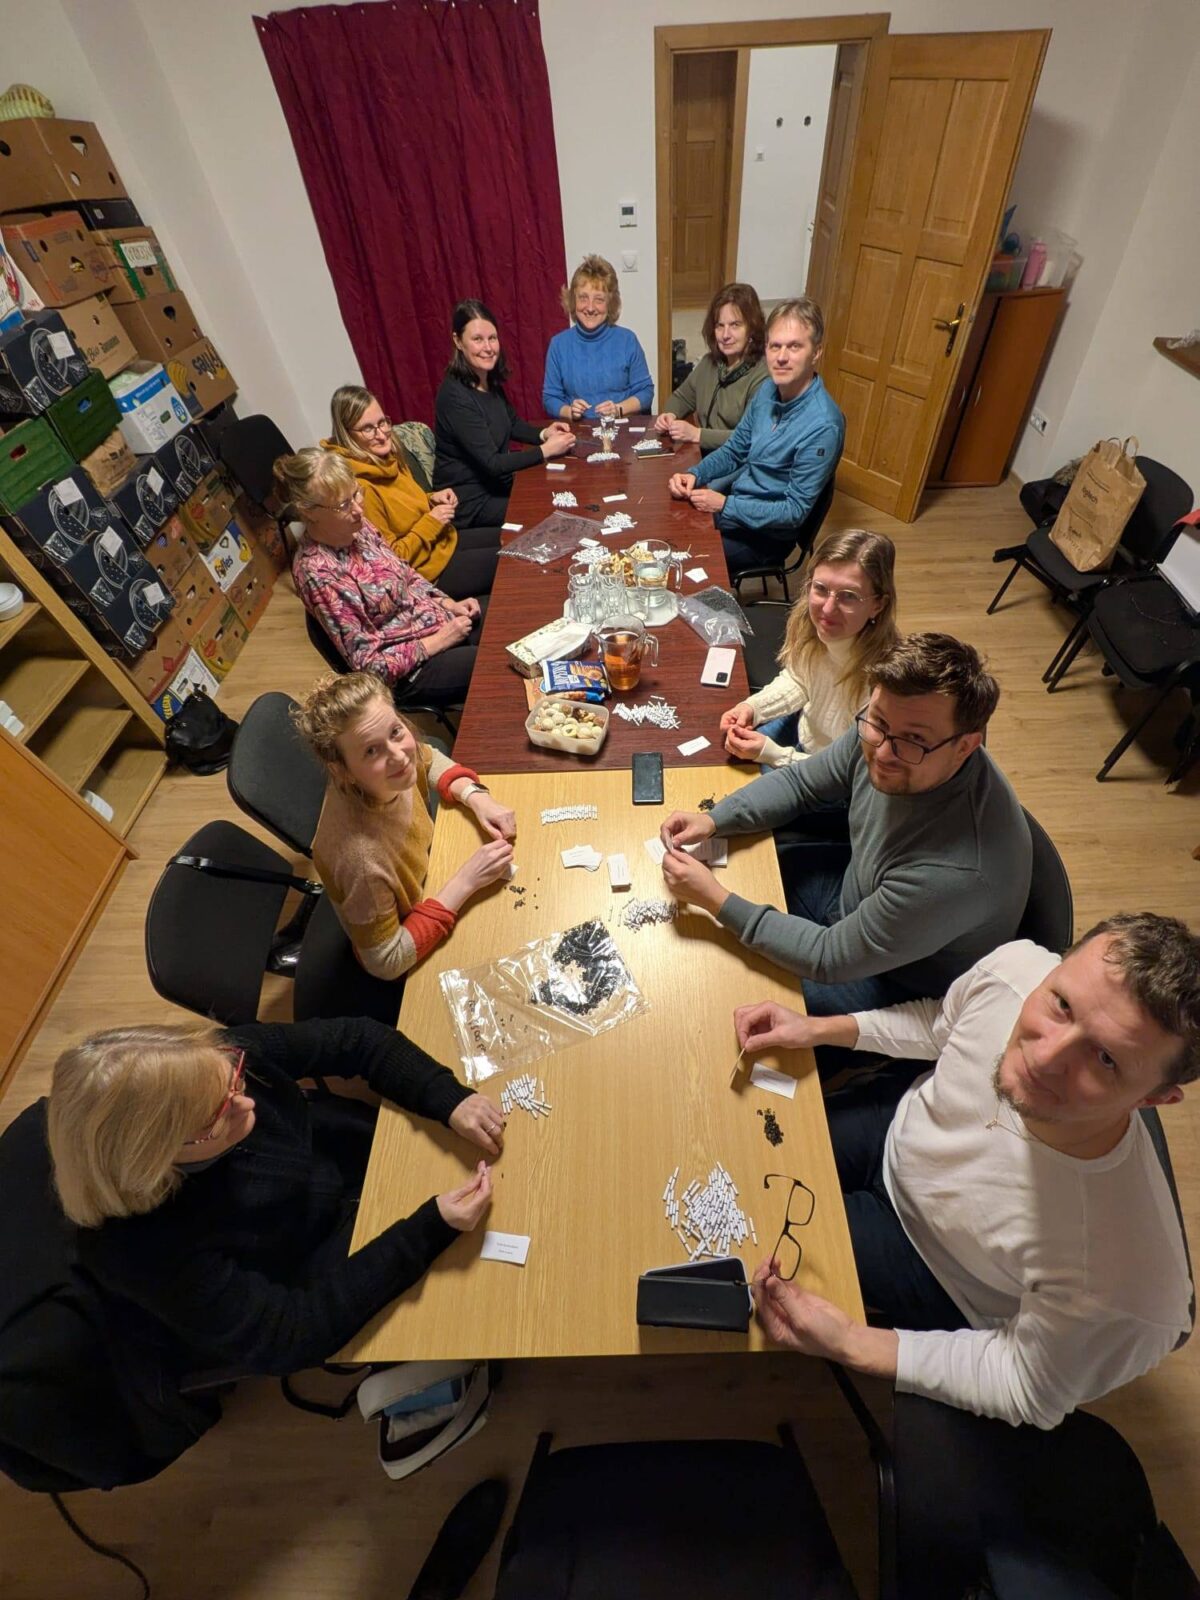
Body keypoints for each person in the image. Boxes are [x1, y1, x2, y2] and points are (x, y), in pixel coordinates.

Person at [735, 913, 1198, 1430]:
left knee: (744, 1232)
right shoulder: (1017, 970)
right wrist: (820, 1030)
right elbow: (942, 1027)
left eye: (1106, 1059)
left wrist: (852, 1342)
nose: (1044, 1057)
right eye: (1062, 1005)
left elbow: (1023, 1384)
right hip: (899, 1125)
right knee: (737, 1157)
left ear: (1155, 1099)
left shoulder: (1132, 1287)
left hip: (935, 1267)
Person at [47, 1015, 504, 1376]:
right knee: (480, 1305)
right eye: (218, 1114)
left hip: (346, 1159)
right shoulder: (139, 1251)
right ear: (158, 1158)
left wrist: (448, 1098)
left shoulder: (213, 1063)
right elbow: (291, 1335)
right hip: (321, 1261)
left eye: (235, 1080)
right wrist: (427, 1231)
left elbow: (357, 1039)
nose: (246, 1101)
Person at [660, 633, 1032, 1021]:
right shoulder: (888, 728)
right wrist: (714, 819)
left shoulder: (955, 873)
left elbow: (828, 957)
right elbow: (801, 783)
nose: (882, 752)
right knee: (753, 871)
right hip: (854, 896)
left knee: (728, 991)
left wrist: (714, 900)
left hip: (894, 982)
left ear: (966, 746)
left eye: (914, 740)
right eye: (878, 722)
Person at [295, 672, 515, 982]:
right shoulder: (361, 861)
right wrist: (465, 882)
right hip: (407, 937)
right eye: (371, 751)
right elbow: (385, 961)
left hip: (427, 877)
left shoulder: (379, 774)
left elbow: (427, 757)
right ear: (341, 771)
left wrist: (476, 797)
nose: (399, 757)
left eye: (396, 731)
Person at [280, 448, 484, 713]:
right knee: (496, 661)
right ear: (308, 512)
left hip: (438, 622)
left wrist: (447, 603)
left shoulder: (358, 527)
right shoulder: (318, 574)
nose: (358, 509)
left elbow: (406, 574)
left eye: (356, 494)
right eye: (343, 505)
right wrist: (439, 641)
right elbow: (370, 667)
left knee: (508, 621)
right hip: (411, 670)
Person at [668, 297, 844, 580]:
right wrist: (695, 473)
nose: (781, 357)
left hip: (766, 536)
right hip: (738, 506)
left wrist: (724, 505)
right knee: (669, 523)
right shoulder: (768, 390)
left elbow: (793, 512)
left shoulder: (823, 425)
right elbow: (735, 450)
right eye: (775, 346)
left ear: (816, 352)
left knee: (682, 557)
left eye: (794, 346)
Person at [720, 529, 898, 769]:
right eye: (821, 588)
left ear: (878, 605)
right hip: (802, 730)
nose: (828, 609)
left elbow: (849, 771)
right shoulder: (812, 628)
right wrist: (753, 708)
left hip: (827, 770)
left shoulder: (885, 687)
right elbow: (799, 679)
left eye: (848, 596)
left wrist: (773, 755)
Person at [326, 384, 501, 598]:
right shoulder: (361, 489)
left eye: (382, 422)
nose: (381, 434)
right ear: (347, 435)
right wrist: (432, 521)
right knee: (515, 561)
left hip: (443, 542)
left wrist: (432, 498)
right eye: (368, 429)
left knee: (516, 539)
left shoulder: (386, 457)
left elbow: (403, 505)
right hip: (427, 574)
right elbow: (392, 559)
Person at [434, 298, 576, 528]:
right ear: (458, 341)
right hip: (469, 503)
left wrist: (544, 434)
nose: (488, 348)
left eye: (492, 338)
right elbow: (492, 463)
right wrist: (545, 450)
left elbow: (512, 423)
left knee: (558, 492)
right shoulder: (454, 396)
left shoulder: (487, 379)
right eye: (477, 339)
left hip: (496, 486)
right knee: (546, 510)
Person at [654, 281, 768, 453]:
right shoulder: (709, 363)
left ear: (752, 329)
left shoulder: (762, 375)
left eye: (735, 325)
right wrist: (669, 415)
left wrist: (697, 435)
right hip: (703, 456)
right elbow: (681, 397)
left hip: (736, 462)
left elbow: (749, 437)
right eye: (720, 326)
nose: (725, 335)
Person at [542, 254, 654, 421]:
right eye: (583, 298)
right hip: (578, 430)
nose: (590, 308)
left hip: (620, 427)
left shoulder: (627, 340)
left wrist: (618, 409)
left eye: (599, 300)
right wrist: (569, 411)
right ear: (573, 301)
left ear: (610, 303)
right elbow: (550, 398)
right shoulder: (558, 345)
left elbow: (646, 392)